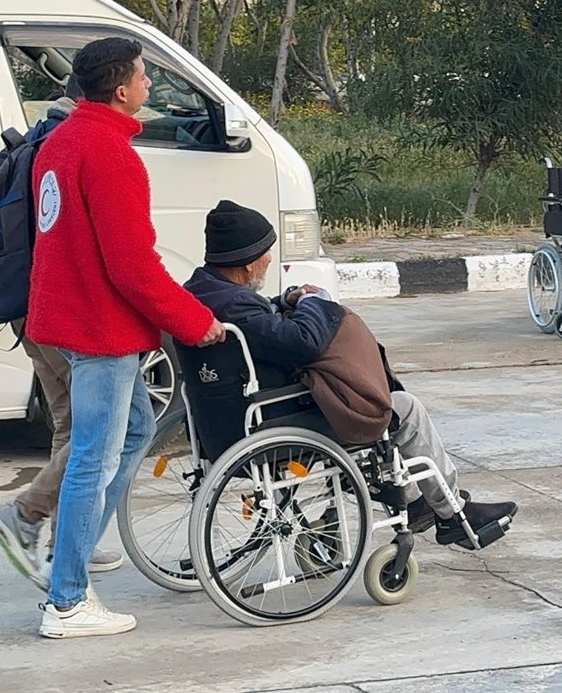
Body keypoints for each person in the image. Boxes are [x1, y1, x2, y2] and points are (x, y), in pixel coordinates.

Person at [25, 37, 225, 639]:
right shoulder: (110, 154)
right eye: (143, 76)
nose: (149, 84)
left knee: (135, 429)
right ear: (120, 89)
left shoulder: (60, 142)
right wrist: (195, 321)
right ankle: (67, 600)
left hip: (66, 320)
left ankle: (71, 562)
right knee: (94, 455)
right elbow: (132, 266)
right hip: (99, 328)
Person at [183, 200, 517, 547]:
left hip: (221, 427)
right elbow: (303, 342)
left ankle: (416, 502)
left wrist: (286, 300)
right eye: (266, 253)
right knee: (402, 408)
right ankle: (453, 514)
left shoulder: (200, 291)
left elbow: (257, 319)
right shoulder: (236, 304)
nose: (269, 259)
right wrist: (315, 302)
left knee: (373, 399)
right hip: (269, 423)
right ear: (249, 262)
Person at [0, 89, 125, 589]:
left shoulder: (30, 145)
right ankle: (28, 515)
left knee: (69, 424)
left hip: (23, 307)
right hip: (59, 312)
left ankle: (63, 537)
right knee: (96, 432)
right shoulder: (69, 146)